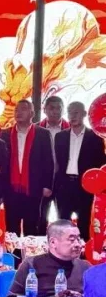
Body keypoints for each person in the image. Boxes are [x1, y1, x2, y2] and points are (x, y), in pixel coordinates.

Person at [6, 220, 90, 297]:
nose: (78, 244)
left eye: (78, 239)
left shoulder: (86, 267)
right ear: (53, 242)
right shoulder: (31, 264)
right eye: (72, 240)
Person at [2, 100, 55, 237]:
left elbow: (48, 161)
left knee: (31, 225)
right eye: (16, 110)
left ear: (32, 113)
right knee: (11, 226)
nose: (18, 112)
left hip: (34, 186)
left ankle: (30, 251)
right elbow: (1, 162)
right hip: (10, 187)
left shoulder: (42, 134)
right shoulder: (5, 134)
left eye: (23, 109)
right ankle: (14, 251)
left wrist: (47, 185)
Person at [55, 101, 106, 241]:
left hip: (85, 186)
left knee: (84, 223)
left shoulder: (95, 137)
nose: (72, 116)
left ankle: (83, 252)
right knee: (63, 223)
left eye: (76, 112)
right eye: (70, 112)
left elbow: (100, 163)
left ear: (84, 114)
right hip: (64, 185)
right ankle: (63, 251)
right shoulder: (60, 137)